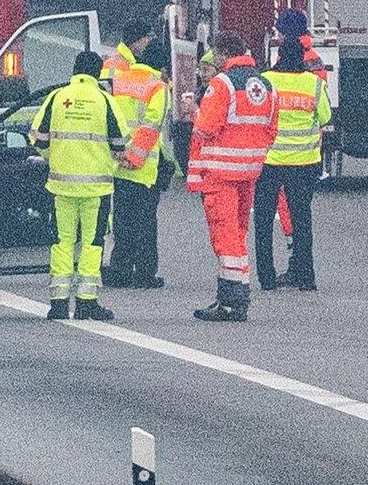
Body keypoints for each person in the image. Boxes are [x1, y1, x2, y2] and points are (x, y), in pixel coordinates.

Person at [186, 32, 277, 322]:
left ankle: (232, 300)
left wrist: (194, 113)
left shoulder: (222, 84)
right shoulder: (266, 85)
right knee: (238, 233)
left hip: (221, 173)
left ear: (224, 54)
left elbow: (206, 129)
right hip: (250, 171)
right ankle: (235, 296)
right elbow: (271, 130)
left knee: (225, 237)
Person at [29, 51, 125, 321]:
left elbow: (38, 137)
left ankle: (58, 302)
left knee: (62, 242)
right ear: (97, 73)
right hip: (97, 188)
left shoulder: (57, 97)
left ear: (75, 70)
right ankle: (86, 302)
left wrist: (55, 159)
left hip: (61, 187)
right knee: (92, 243)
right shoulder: (105, 100)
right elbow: (120, 142)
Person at [255, 36, 331, 292]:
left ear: (278, 57)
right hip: (304, 163)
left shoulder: (266, 81)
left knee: (264, 221)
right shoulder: (314, 84)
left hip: (269, 162)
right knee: (302, 220)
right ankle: (305, 277)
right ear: (302, 58)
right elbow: (326, 116)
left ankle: (266, 279)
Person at [103, 36, 172, 289]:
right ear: (162, 66)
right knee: (145, 223)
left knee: (122, 221)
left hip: (118, 164)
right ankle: (144, 273)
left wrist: (119, 155)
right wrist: (135, 158)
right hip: (142, 169)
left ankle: (120, 269)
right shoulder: (157, 87)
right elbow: (151, 127)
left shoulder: (120, 80)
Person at [102, 17, 154, 89]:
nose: (148, 41)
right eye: (146, 37)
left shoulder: (127, 61)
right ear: (136, 40)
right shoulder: (121, 65)